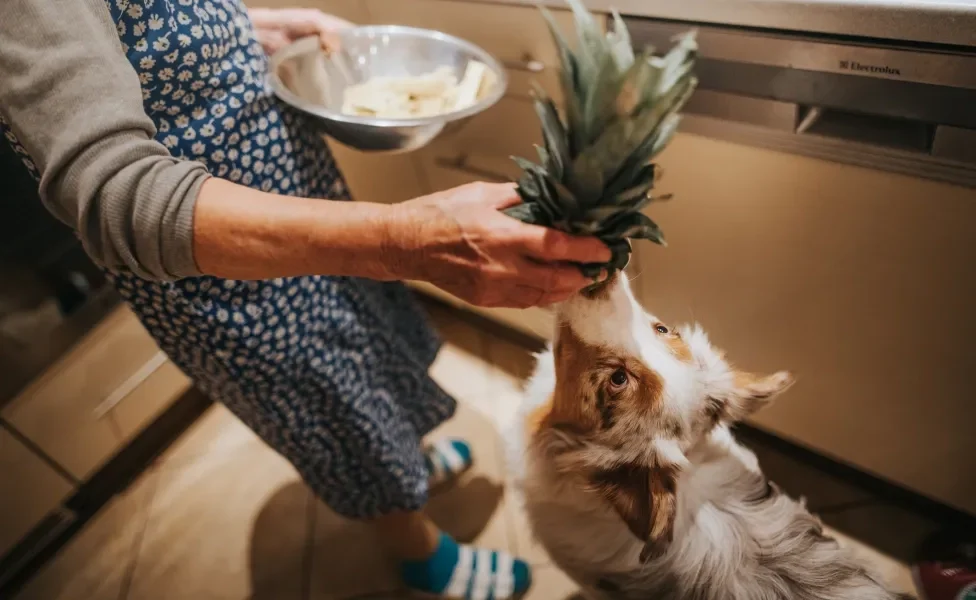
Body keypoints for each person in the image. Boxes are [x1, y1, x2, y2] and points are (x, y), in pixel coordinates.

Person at [0, 1, 611, 598]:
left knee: (367, 352)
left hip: (298, 192)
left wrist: (247, 26)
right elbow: (118, 199)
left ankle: (409, 462)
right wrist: (400, 240)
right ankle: (417, 553)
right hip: (223, 275)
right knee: (337, 412)